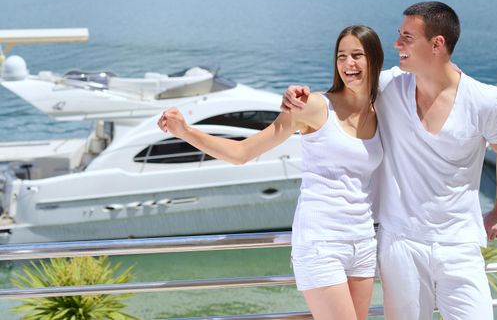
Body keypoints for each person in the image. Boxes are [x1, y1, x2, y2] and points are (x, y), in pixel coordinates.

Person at [281, 1, 497, 320]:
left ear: (437, 44)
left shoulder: (485, 101)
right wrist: (299, 95)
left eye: (407, 37)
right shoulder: (390, 86)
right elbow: (343, 92)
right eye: (399, 34)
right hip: (400, 243)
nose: (397, 44)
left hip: (460, 244)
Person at [158, 25, 384, 320]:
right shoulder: (314, 107)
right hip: (321, 242)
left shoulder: (380, 110)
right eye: (342, 56)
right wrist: (185, 131)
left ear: (374, 60)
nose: (348, 64)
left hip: (363, 241)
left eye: (357, 55)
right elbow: (242, 153)